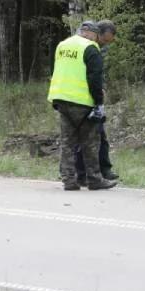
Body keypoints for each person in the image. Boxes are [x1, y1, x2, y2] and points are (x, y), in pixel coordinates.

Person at [47, 21, 116, 191]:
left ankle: (69, 180)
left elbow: (56, 70)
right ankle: (94, 179)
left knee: (67, 142)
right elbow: (95, 78)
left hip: (61, 99)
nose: (97, 40)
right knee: (90, 142)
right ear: (91, 34)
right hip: (82, 101)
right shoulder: (91, 48)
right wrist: (99, 102)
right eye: (97, 36)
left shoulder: (62, 45)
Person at [74, 19, 119, 183]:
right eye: (105, 40)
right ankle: (82, 174)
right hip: (80, 96)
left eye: (109, 41)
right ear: (97, 34)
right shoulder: (82, 45)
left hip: (94, 94)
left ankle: (105, 169)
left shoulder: (101, 48)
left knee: (101, 134)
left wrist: (101, 89)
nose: (106, 44)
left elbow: (99, 71)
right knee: (82, 137)